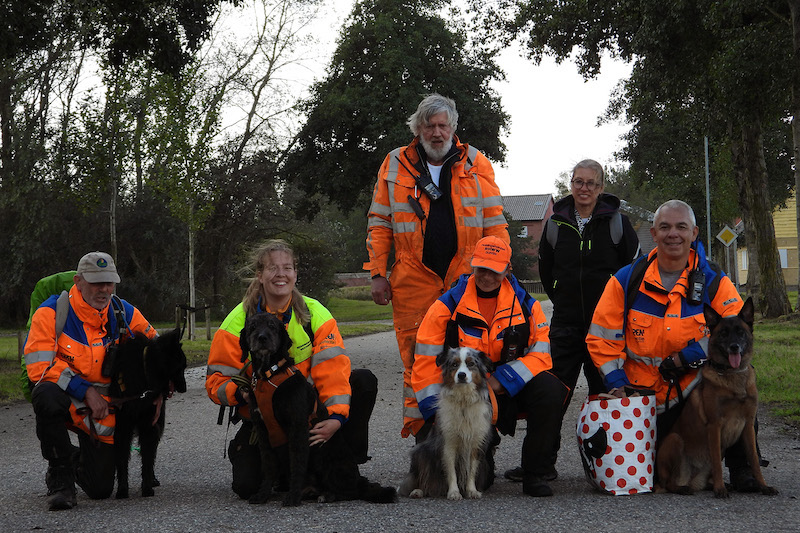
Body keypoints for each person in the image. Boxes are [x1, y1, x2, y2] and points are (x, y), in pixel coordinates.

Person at [586, 200, 760, 490]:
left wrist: (689, 356)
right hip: (639, 400)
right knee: (640, 479)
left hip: (690, 389)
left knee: (742, 385)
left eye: (681, 227)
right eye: (665, 227)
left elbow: (736, 334)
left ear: (694, 233)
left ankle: (744, 470)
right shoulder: (627, 280)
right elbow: (601, 338)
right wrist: (617, 384)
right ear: (653, 234)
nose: (673, 234)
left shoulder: (715, 281)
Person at [364, 93, 509, 439]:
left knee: (468, 357)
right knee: (418, 359)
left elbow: (495, 223)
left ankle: (475, 440)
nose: (437, 132)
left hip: (464, 279)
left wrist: (501, 268)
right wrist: (377, 273)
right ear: (418, 128)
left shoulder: (476, 162)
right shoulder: (395, 163)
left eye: (443, 125)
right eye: (429, 125)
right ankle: (425, 438)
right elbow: (379, 223)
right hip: (413, 278)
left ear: (453, 128)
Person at [206, 239, 378, 499]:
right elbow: (216, 380)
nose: (280, 274)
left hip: (307, 414)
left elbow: (333, 369)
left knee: (363, 381)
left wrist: (334, 418)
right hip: (263, 419)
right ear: (259, 274)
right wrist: (240, 392)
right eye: (272, 268)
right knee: (247, 488)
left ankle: (343, 470)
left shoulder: (315, 313)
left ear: (295, 273)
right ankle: (287, 474)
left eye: (287, 268)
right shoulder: (236, 321)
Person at [510, 159, 638, 482]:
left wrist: (612, 309)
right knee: (551, 394)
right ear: (571, 184)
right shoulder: (555, 223)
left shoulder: (618, 223)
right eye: (578, 182)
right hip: (565, 324)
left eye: (591, 183)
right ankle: (538, 465)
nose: (584, 189)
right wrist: (562, 299)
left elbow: (632, 272)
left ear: (601, 188)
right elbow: (546, 269)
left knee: (605, 395)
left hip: (605, 329)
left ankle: (611, 465)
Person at [411, 236, 568, 497]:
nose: (486, 276)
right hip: (461, 397)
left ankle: (535, 473)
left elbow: (541, 354)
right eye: (481, 268)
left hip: (507, 390)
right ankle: (481, 453)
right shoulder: (445, 306)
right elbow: (426, 359)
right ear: (472, 267)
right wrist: (433, 412)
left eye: (494, 270)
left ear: (507, 270)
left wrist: (502, 381)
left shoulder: (528, 305)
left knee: (551, 390)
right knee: (482, 482)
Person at [25, 252, 158, 510]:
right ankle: (60, 476)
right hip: (69, 400)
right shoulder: (51, 313)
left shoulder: (124, 312)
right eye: (97, 282)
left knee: (100, 489)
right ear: (78, 281)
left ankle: (77, 458)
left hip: (103, 411)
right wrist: (84, 390)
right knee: (45, 394)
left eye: (109, 282)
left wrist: (158, 391)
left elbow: (156, 351)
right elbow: (39, 368)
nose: (105, 289)